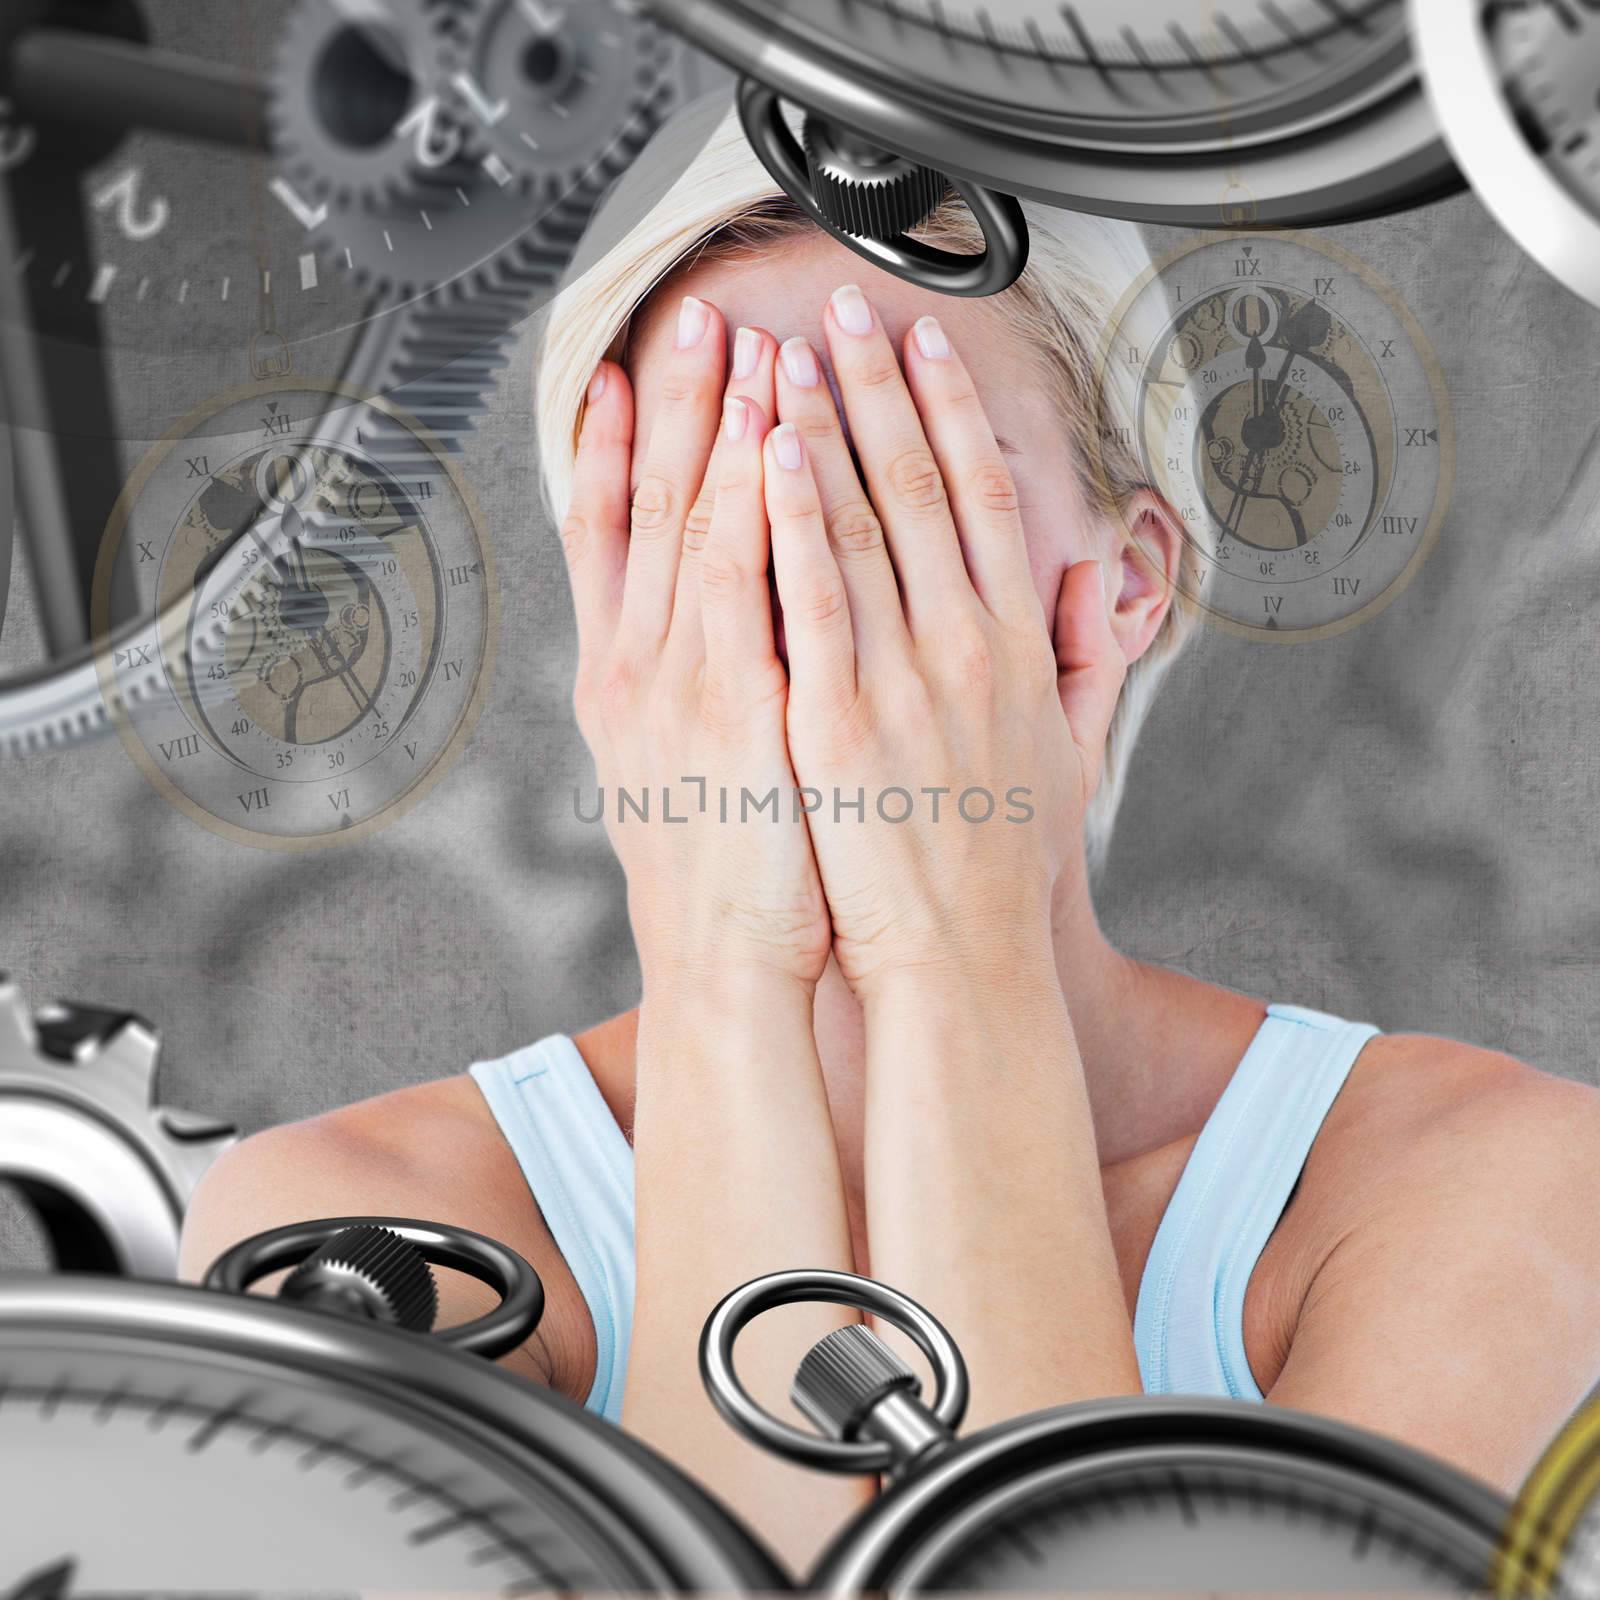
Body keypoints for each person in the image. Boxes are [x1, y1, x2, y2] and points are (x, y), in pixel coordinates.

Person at [180, 112, 1600, 1576]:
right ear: (613, 612)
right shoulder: (363, 1224)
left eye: (904, 478)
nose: (810, 563)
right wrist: (727, 966)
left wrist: (957, 957)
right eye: (720, 504)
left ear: (1122, 589)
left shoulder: (1474, 1183)